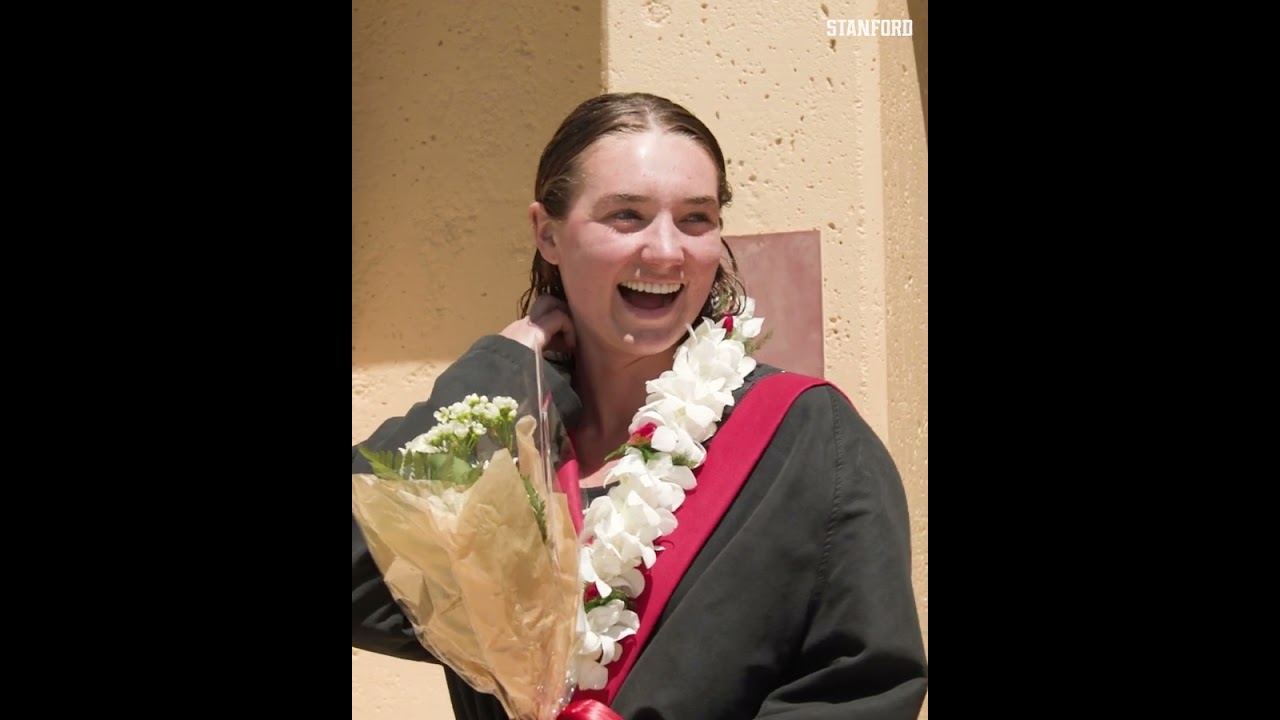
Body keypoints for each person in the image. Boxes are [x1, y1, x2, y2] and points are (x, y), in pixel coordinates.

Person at [352, 91, 928, 719]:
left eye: (696, 219)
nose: (665, 251)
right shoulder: (505, 459)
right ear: (547, 233)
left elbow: (859, 692)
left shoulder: (810, 439)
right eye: (626, 215)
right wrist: (499, 369)